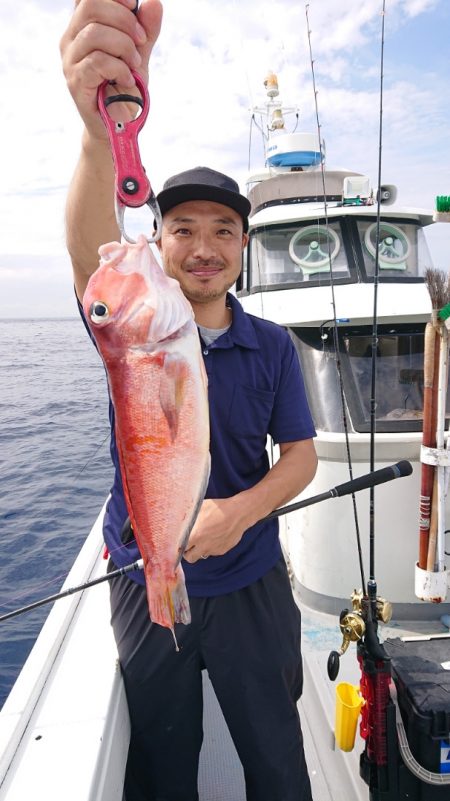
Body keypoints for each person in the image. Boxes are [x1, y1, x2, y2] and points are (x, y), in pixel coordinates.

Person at [60, 2, 318, 800]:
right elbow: (85, 244)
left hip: (249, 579)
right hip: (143, 576)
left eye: (222, 230)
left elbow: (302, 459)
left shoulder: (272, 344)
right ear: (159, 242)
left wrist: (239, 512)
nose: (202, 246)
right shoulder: (135, 331)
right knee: (165, 761)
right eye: (181, 229)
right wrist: (103, 131)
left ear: (242, 248)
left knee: (277, 756)